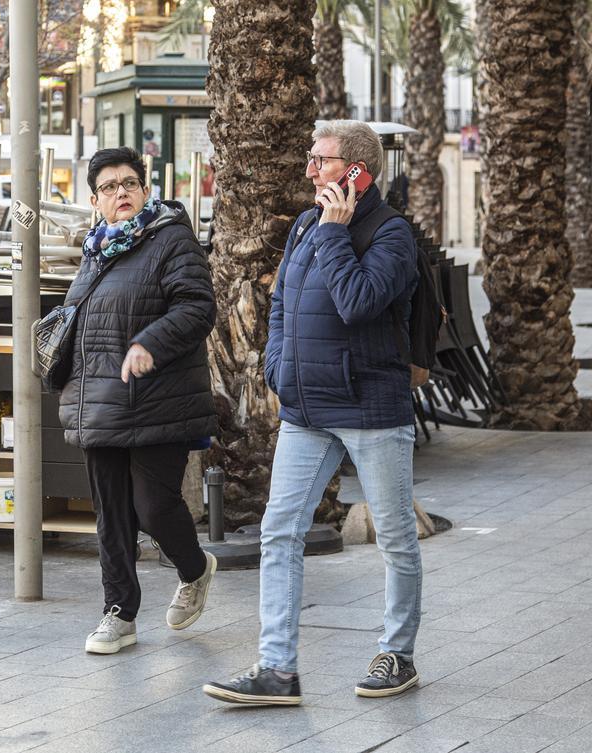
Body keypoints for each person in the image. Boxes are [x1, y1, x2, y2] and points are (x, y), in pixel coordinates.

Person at [204, 121, 421, 705]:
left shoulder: (391, 234)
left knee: (396, 538)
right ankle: (278, 669)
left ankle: (396, 654)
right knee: (280, 532)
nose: (309, 170)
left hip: (371, 407)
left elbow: (356, 303)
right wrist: (278, 366)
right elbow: (283, 303)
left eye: (320, 161)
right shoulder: (304, 224)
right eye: (311, 158)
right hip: (307, 410)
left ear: (357, 171)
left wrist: (333, 230)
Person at [60, 146, 219, 655]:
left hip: (158, 397)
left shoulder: (171, 238)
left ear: (145, 191)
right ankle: (119, 612)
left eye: (129, 183)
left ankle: (194, 569)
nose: (121, 192)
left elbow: (197, 306)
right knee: (111, 512)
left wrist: (150, 342)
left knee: (152, 507)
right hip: (100, 397)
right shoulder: (95, 250)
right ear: (95, 200)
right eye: (109, 187)